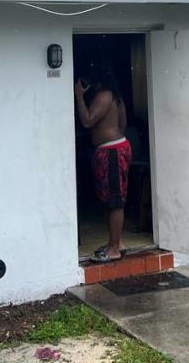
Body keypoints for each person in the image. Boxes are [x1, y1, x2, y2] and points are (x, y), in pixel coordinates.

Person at [74, 69, 131, 263]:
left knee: (115, 201)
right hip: (114, 148)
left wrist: (79, 97)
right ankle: (117, 242)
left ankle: (114, 248)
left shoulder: (105, 95)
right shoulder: (116, 97)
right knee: (111, 199)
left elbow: (88, 120)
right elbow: (123, 125)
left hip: (112, 151)